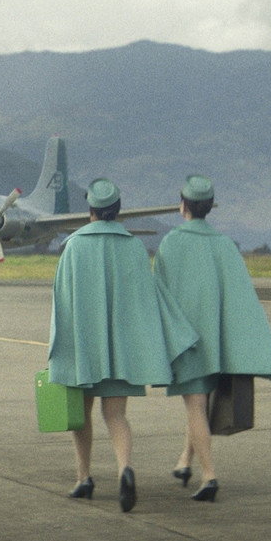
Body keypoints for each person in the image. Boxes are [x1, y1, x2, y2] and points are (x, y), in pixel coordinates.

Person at [48, 178, 198, 513]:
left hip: (84, 350)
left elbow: (62, 302)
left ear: (90, 211)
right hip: (120, 353)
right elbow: (144, 300)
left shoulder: (74, 246)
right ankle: (124, 469)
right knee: (116, 415)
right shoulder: (133, 247)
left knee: (81, 416)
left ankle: (84, 478)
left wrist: (59, 349)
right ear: (117, 211)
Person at [154, 175, 271, 503]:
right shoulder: (225, 245)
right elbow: (240, 298)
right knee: (198, 406)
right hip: (217, 342)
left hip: (188, 343)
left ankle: (209, 475)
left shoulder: (171, 243)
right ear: (210, 207)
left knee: (195, 406)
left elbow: (160, 295)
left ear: (182, 205)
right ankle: (184, 462)